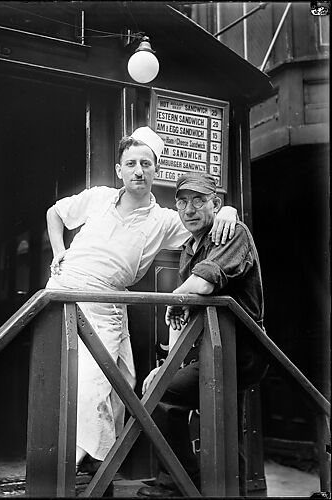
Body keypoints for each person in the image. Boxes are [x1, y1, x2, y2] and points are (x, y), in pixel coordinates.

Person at [45, 127, 238, 474]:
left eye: (145, 164)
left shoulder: (164, 219)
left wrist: (230, 211)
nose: (138, 170)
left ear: (155, 170)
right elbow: (55, 214)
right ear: (119, 170)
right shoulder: (99, 197)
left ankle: (97, 462)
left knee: (124, 383)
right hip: (69, 290)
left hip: (110, 303)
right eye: (130, 163)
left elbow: (206, 223)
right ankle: (78, 466)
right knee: (87, 385)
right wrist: (59, 252)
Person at [138, 171, 268, 498]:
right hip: (213, 348)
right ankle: (220, 489)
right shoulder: (189, 246)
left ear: (217, 204)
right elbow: (187, 319)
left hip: (241, 351)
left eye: (199, 201)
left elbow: (204, 283)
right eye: (182, 202)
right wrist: (169, 363)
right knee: (217, 421)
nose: (190, 210)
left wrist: (175, 299)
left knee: (161, 394)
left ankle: (182, 483)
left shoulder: (230, 231)